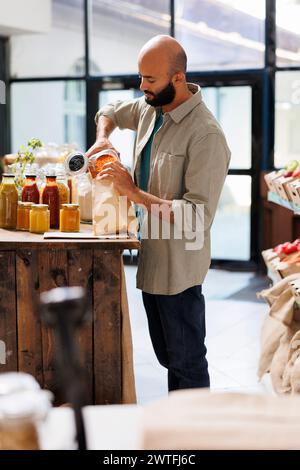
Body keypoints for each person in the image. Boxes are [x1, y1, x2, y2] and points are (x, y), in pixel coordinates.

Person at [86, 35, 231, 391]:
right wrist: (104, 138)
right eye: (141, 77)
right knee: (170, 358)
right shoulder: (151, 108)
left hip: (179, 269)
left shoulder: (206, 135)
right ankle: (176, 427)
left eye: (150, 80)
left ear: (178, 78)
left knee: (187, 362)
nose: (142, 86)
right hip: (152, 260)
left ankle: (192, 437)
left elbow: (197, 215)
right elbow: (108, 111)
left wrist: (133, 192)